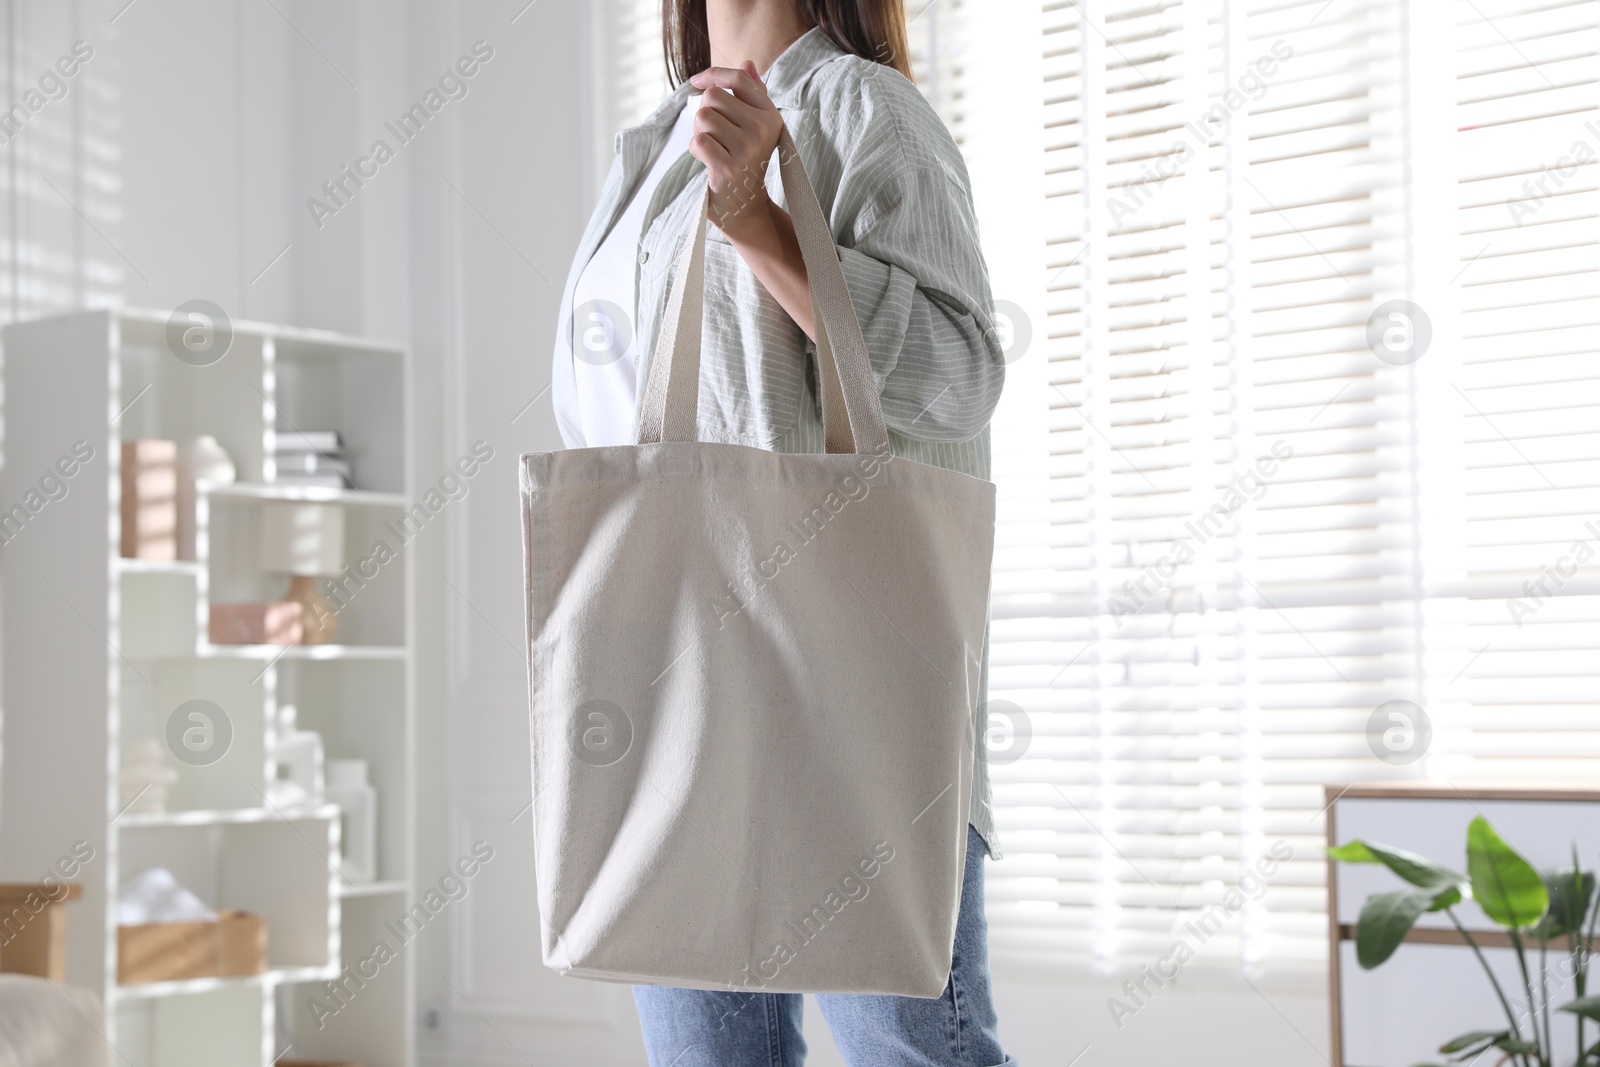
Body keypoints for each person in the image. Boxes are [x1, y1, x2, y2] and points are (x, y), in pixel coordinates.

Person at [548, 1, 1013, 1064]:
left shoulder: (862, 108)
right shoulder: (647, 148)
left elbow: (956, 375)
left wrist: (759, 221)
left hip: (843, 684)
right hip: (675, 696)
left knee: (912, 1050)